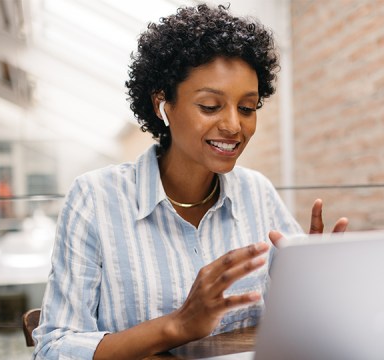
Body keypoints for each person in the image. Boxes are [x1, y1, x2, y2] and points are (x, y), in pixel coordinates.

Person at [32, 4, 348, 360]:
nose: (234, 126)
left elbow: (294, 318)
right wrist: (177, 325)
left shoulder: (256, 192)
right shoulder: (96, 198)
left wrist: (317, 282)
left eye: (247, 108)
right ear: (162, 105)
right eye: (211, 106)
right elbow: (53, 348)